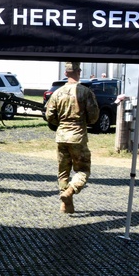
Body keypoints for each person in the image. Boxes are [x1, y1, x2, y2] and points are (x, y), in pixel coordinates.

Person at [44, 61, 99, 214]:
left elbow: (49, 115)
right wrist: (82, 122)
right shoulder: (85, 92)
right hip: (78, 136)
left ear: (66, 73)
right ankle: (69, 192)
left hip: (61, 136)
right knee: (83, 170)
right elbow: (94, 116)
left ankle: (66, 205)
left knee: (63, 172)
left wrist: (61, 123)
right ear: (79, 71)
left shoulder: (57, 93)